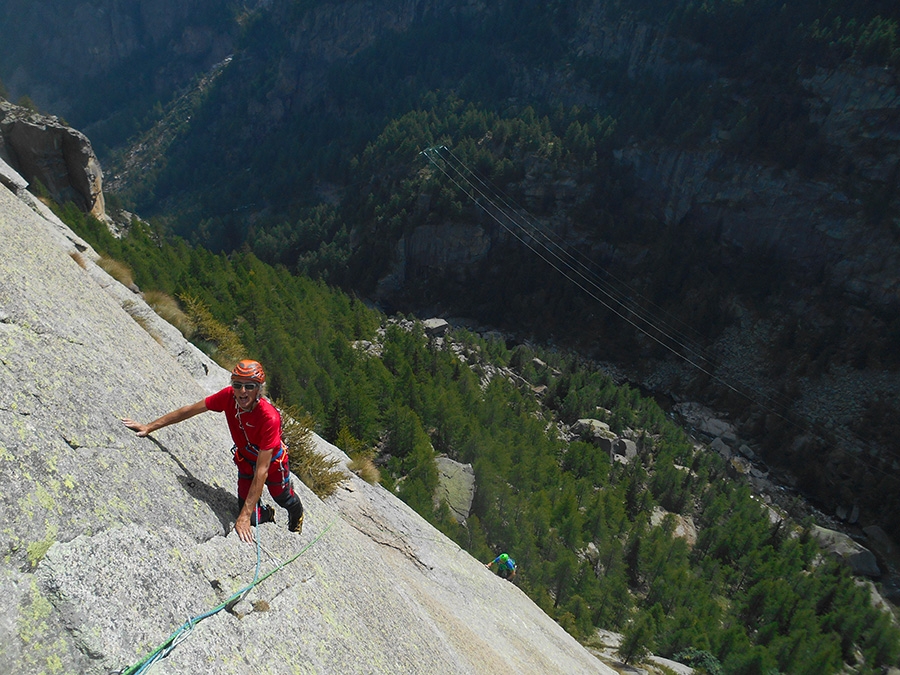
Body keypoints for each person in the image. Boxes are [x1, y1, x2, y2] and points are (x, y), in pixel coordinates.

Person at [122, 359, 304, 543]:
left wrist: (243, 518)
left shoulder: (269, 418)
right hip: (246, 462)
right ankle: (267, 513)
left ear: (259, 389)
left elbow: (263, 469)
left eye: (249, 386)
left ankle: (297, 515)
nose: (242, 391)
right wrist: (150, 427)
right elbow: (189, 411)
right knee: (253, 517)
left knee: (282, 497)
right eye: (237, 385)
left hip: (272, 464)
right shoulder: (228, 397)